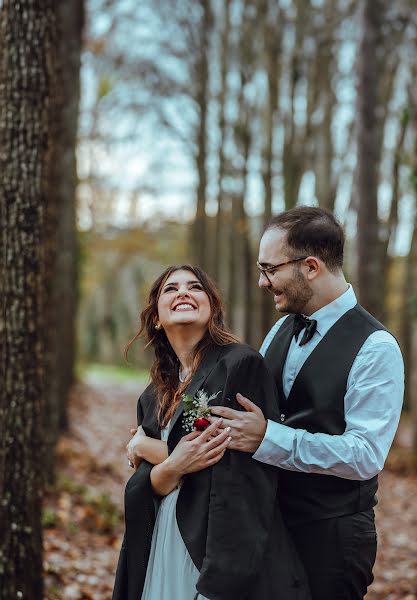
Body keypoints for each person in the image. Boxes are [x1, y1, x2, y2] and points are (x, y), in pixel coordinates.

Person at [210, 206, 404, 600]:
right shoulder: (282, 327)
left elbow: (365, 455)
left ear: (311, 267)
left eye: (270, 269)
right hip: (270, 523)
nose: (262, 282)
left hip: (331, 538)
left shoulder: (376, 348)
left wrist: (269, 438)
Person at [112, 265, 311, 600]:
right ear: (157, 318)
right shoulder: (154, 394)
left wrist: (146, 447)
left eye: (194, 287)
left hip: (217, 544)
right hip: (163, 539)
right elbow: (144, 484)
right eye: (170, 289)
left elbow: (236, 470)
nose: (183, 293)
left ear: (213, 308)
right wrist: (172, 466)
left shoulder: (240, 365)